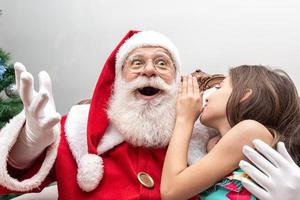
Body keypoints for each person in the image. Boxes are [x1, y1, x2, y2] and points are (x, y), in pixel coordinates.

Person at [0, 30, 212, 199]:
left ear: (177, 81)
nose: (149, 70)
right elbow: (8, 182)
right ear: (118, 80)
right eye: (137, 63)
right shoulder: (75, 128)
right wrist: (28, 143)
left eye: (162, 63)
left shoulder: (200, 135)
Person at [161, 65, 300, 200]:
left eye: (219, 87)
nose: (206, 95)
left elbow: (171, 191)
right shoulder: (216, 145)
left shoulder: (250, 130)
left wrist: (184, 119)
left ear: (244, 95)